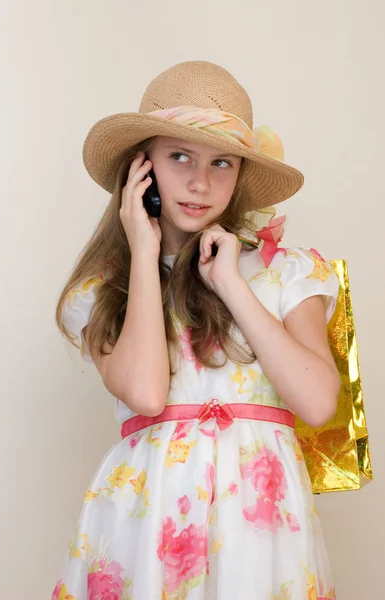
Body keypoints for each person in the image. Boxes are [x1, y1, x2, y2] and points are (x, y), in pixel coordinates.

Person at [52, 61, 340, 600]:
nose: (201, 182)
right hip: (150, 510)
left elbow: (320, 403)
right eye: (178, 156)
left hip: (259, 521)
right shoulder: (101, 292)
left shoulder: (289, 271)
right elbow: (146, 392)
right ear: (143, 169)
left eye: (222, 163)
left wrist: (231, 283)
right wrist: (141, 249)